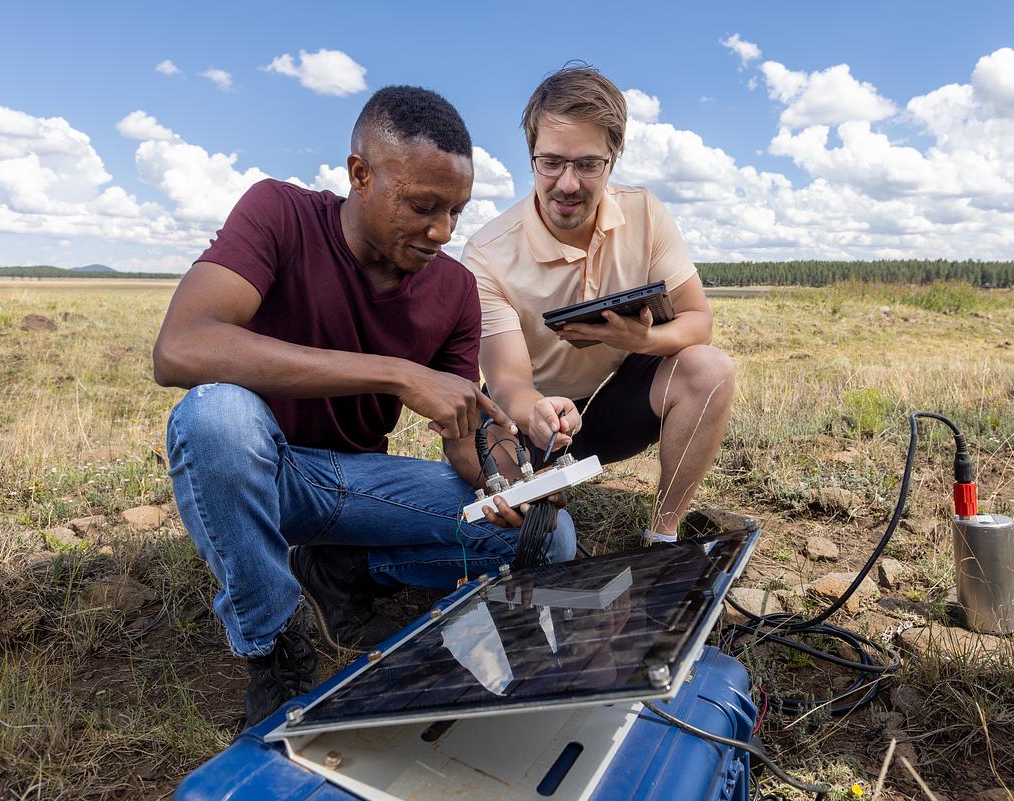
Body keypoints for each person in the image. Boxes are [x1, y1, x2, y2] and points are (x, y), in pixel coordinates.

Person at [153, 86, 576, 727]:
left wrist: (509, 480)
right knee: (213, 416)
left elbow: (465, 433)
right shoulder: (280, 213)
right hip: (264, 470)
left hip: (355, 486)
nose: (442, 232)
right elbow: (181, 348)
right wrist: (397, 375)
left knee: (552, 539)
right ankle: (273, 646)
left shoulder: (455, 291)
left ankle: (344, 567)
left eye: (456, 213)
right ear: (360, 175)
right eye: (423, 207)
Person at [463, 65, 735, 546]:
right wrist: (539, 414)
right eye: (551, 162)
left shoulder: (645, 212)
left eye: (588, 164)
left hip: (616, 402)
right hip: (532, 414)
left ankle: (663, 536)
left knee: (709, 369)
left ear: (613, 159)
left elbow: (700, 323)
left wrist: (643, 339)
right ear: (530, 156)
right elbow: (507, 383)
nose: (568, 183)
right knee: (509, 512)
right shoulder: (488, 252)